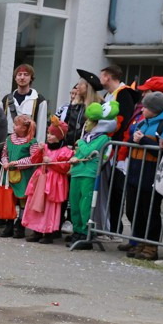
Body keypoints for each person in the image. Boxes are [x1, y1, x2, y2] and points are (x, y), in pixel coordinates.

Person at [121, 90, 163, 260]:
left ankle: (151, 246)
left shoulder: (162, 125)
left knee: (150, 212)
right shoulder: (141, 122)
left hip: (151, 174)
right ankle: (138, 241)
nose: (142, 109)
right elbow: (131, 141)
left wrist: (144, 141)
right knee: (133, 210)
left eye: (146, 107)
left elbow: (160, 152)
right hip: (135, 172)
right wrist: (135, 139)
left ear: (155, 109)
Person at [99, 65, 140, 238]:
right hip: (107, 146)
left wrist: (115, 143)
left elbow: (123, 121)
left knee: (116, 189)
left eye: (102, 76)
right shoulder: (108, 95)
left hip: (117, 148)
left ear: (108, 77)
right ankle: (107, 224)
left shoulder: (123, 94)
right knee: (108, 188)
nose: (100, 79)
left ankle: (115, 228)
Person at [67, 101, 114, 248]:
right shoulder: (86, 137)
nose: (86, 123)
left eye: (89, 121)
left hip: (89, 174)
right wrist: (73, 158)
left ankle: (85, 234)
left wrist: (80, 143)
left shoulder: (103, 138)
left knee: (85, 205)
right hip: (77, 172)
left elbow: (89, 152)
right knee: (74, 204)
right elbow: (81, 153)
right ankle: (77, 231)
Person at [21, 119, 72, 243]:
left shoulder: (65, 151)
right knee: (37, 204)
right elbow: (35, 160)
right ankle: (36, 231)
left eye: (53, 134)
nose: (49, 136)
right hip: (41, 179)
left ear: (60, 136)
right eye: (48, 133)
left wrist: (52, 162)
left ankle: (49, 232)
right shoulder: (44, 147)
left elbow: (65, 167)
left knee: (50, 207)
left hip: (54, 182)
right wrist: (39, 151)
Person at [0, 114, 39, 238]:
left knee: (22, 199)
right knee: (9, 199)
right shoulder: (9, 139)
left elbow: (34, 159)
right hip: (9, 174)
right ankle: (9, 223)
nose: (14, 127)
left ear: (24, 128)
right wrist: (5, 162)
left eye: (16, 125)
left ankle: (20, 225)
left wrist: (17, 163)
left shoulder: (32, 141)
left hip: (24, 175)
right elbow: (4, 153)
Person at [2, 64, 49, 142]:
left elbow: (41, 128)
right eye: (19, 74)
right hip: (8, 143)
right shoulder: (5, 100)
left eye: (26, 75)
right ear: (15, 78)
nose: (22, 77)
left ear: (31, 78)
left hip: (28, 144)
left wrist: (38, 148)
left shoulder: (39, 100)